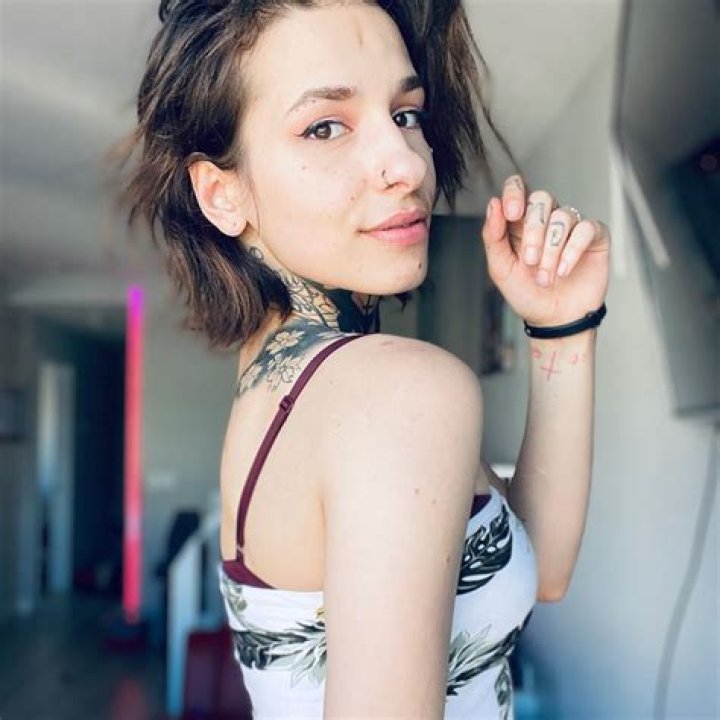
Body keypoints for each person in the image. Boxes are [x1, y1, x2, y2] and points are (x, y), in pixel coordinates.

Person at [122, 0, 611, 716]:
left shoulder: (281, 388)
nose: (406, 163)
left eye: (406, 113)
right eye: (325, 126)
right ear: (223, 194)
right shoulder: (393, 390)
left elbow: (542, 571)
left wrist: (563, 325)